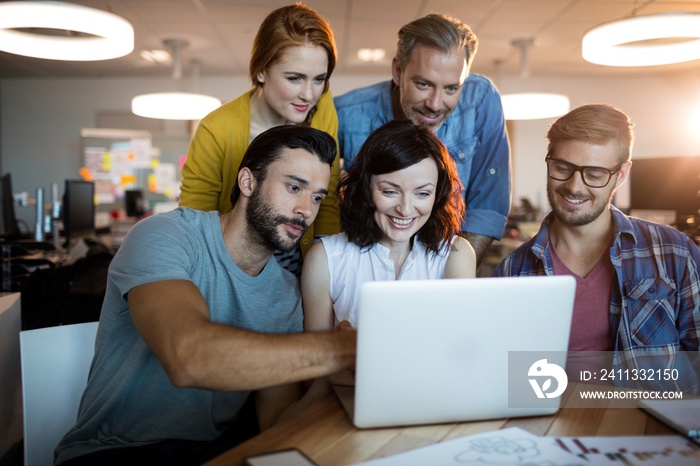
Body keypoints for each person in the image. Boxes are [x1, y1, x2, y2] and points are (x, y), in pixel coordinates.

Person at [55, 126, 356, 466]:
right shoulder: (166, 236)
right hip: (113, 451)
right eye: (294, 187)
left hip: (209, 453)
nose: (306, 209)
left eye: (316, 196)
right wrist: (342, 348)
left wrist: (336, 377)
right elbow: (188, 357)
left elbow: (274, 426)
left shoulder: (285, 295)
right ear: (247, 182)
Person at [492, 104, 699, 391]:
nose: (575, 186)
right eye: (562, 168)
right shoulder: (512, 271)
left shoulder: (674, 251)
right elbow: (505, 377)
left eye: (596, 174)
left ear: (621, 174)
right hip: (556, 425)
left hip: (657, 427)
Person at [334, 13, 511, 266]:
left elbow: (488, 208)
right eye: (423, 84)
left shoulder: (481, 99)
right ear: (398, 71)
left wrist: (445, 278)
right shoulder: (345, 114)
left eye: (452, 88)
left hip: (449, 265)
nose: (435, 104)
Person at [180, 3, 341, 276]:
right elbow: (194, 219)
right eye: (295, 78)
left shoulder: (322, 107)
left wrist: (327, 273)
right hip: (232, 268)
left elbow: (328, 197)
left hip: (299, 261)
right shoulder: (217, 128)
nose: (309, 94)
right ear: (261, 70)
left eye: (319, 79)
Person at [302, 120, 476, 331]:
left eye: (422, 193)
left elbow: (457, 345)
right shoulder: (325, 259)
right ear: (365, 188)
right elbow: (316, 357)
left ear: (437, 195)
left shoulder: (456, 255)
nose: (405, 209)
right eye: (390, 191)